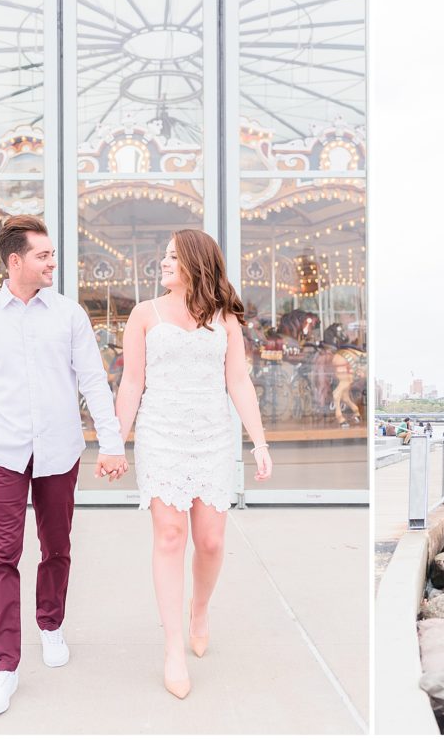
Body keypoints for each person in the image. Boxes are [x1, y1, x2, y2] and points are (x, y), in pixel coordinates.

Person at [0, 215, 130, 716]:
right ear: (15, 261)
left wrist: (112, 444)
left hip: (59, 450)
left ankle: (50, 624)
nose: (53, 262)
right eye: (43, 255)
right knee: (1, 556)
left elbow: (95, 382)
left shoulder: (69, 315)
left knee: (56, 546)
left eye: (52, 254)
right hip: (3, 451)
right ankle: (3, 667)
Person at [115, 229, 272, 700]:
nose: (163, 262)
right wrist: (114, 443)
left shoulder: (224, 320)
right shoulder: (144, 315)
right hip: (161, 434)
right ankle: (173, 649)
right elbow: (131, 384)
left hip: (212, 437)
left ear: (194, 263)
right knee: (169, 535)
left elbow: (239, 382)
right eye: (162, 255)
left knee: (210, 539)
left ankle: (199, 609)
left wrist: (259, 442)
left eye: (171, 256)